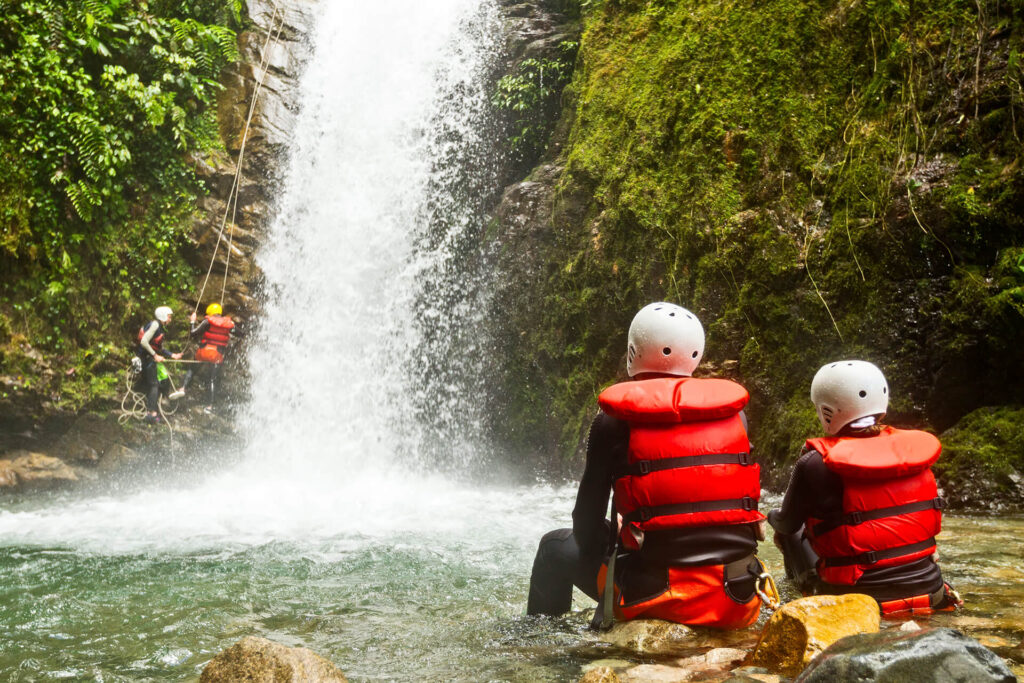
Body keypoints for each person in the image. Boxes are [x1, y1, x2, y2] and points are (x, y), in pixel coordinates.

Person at [527, 302, 767, 629]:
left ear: (633, 351)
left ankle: (538, 651)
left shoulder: (614, 422)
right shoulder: (734, 416)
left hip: (657, 597)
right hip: (737, 595)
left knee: (553, 547)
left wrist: (615, 541)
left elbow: (585, 526)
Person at [767, 360, 962, 615]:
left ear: (826, 410)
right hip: (931, 593)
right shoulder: (912, 453)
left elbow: (788, 524)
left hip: (859, 602)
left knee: (791, 532)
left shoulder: (815, 463)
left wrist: (771, 516)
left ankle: (801, 600)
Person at [168, 302, 235, 412]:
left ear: (210, 313)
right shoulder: (229, 324)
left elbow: (193, 333)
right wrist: (232, 325)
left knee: (192, 369)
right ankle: (210, 406)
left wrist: (192, 322)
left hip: (204, 351)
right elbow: (241, 333)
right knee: (212, 379)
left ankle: (183, 388)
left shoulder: (207, 321)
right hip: (217, 355)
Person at [136, 306, 182, 425]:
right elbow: (144, 342)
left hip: (149, 358)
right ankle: (151, 414)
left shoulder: (159, 327)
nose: (170, 319)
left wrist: (173, 355)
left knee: (157, 383)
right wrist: (155, 355)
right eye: (169, 317)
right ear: (163, 316)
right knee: (154, 385)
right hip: (146, 359)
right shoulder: (155, 325)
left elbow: (159, 347)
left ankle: (152, 411)